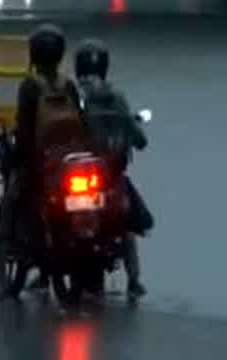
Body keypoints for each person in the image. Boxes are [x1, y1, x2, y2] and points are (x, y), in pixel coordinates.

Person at [0, 23, 88, 301]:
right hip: (68, 163)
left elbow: (24, 132)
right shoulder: (68, 84)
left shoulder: (30, 86)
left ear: (34, 55)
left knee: (6, 209)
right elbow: (82, 123)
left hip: (39, 165)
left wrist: (15, 155)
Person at [74, 39, 151, 299]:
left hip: (78, 172)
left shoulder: (74, 96)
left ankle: (43, 274)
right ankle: (134, 280)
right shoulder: (116, 98)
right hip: (111, 175)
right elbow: (139, 139)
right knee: (128, 223)